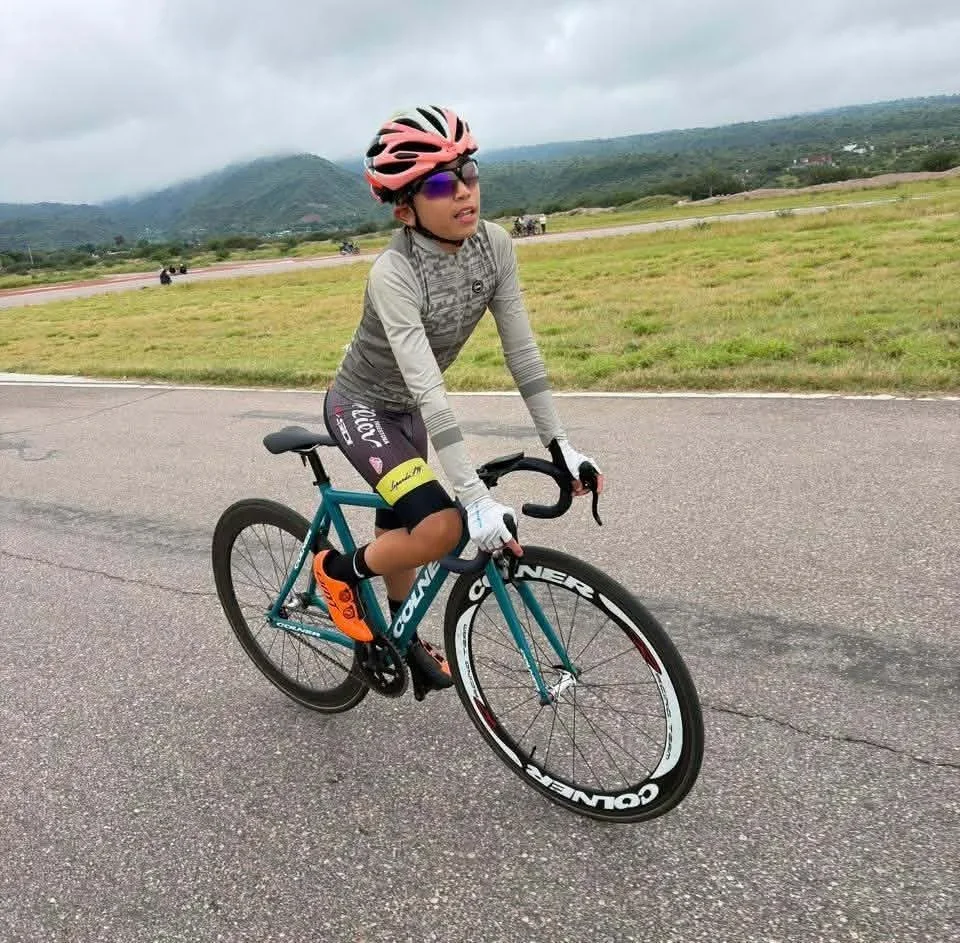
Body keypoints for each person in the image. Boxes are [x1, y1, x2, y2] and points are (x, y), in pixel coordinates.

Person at [313, 105, 603, 700]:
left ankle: (398, 632)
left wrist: (562, 445)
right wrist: (473, 497)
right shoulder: (393, 273)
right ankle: (333, 572)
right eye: (443, 184)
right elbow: (428, 387)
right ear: (405, 207)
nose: (465, 192)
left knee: (406, 528)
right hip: (362, 406)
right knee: (443, 525)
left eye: (469, 171)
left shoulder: (495, 245)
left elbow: (523, 356)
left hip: (409, 414)